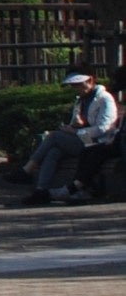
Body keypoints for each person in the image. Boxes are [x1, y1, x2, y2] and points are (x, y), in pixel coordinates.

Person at [30, 70, 119, 203]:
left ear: (90, 81)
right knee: (54, 151)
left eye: (78, 84)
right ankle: (41, 189)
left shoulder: (104, 98)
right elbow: (77, 124)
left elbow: (104, 128)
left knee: (54, 137)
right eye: (73, 85)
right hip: (82, 140)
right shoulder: (80, 101)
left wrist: (77, 132)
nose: (76, 88)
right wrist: (74, 126)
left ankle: (27, 169)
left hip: (97, 142)